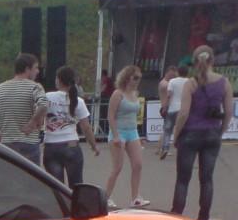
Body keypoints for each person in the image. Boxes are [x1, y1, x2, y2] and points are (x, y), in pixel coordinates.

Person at [171, 45, 234, 220]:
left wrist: (176, 134)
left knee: (183, 179)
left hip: (190, 133)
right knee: (206, 179)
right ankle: (203, 218)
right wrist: (221, 130)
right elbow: (228, 112)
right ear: (212, 60)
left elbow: (184, 113)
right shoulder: (224, 83)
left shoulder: (190, 84)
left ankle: (176, 216)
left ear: (194, 61)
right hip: (212, 133)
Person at [0, 53, 48, 166]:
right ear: (27, 69)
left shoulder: (0, 88)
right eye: (36, 68)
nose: (38, 71)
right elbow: (43, 104)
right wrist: (32, 122)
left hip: (8, 144)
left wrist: (0, 138)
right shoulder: (35, 87)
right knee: (30, 176)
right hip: (29, 144)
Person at [43, 66, 99, 187]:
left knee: (56, 187)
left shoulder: (47, 97)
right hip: (71, 144)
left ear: (58, 80)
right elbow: (86, 127)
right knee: (76, 186)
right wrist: (93, 145)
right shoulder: (78, 101)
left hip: (51, 145)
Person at [105, 65, 148, 208]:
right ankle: (106, 197)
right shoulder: (118, 94)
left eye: (139, 78)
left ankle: (135, 197)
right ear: (127, 78)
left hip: (132, 131)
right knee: (117, 167)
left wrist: (139, 136)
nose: (137, 81)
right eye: (135, 78)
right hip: (119, 131)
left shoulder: (135, 94)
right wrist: (116, 135)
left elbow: (134, 116)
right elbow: (110, 115)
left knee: (138, 164)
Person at [160, 64, 189, 160]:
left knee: (167, 130)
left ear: (178, 72)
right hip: (184, 109)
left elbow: (169, 95)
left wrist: (165, 107)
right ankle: (183, 149)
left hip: (172, 109)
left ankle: (165, 148)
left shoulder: (172, 81)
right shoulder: (189, 82)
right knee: (183, 130)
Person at [156, 66, 177, 158]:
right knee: (167, 129)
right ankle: (162, 148)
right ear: (167, 72)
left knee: (166, 129)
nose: (172, 76)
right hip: (166, 107)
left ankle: (159, 148)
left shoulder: (168, 83)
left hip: (168, 107)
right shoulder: (164, 83)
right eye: (171, 74)